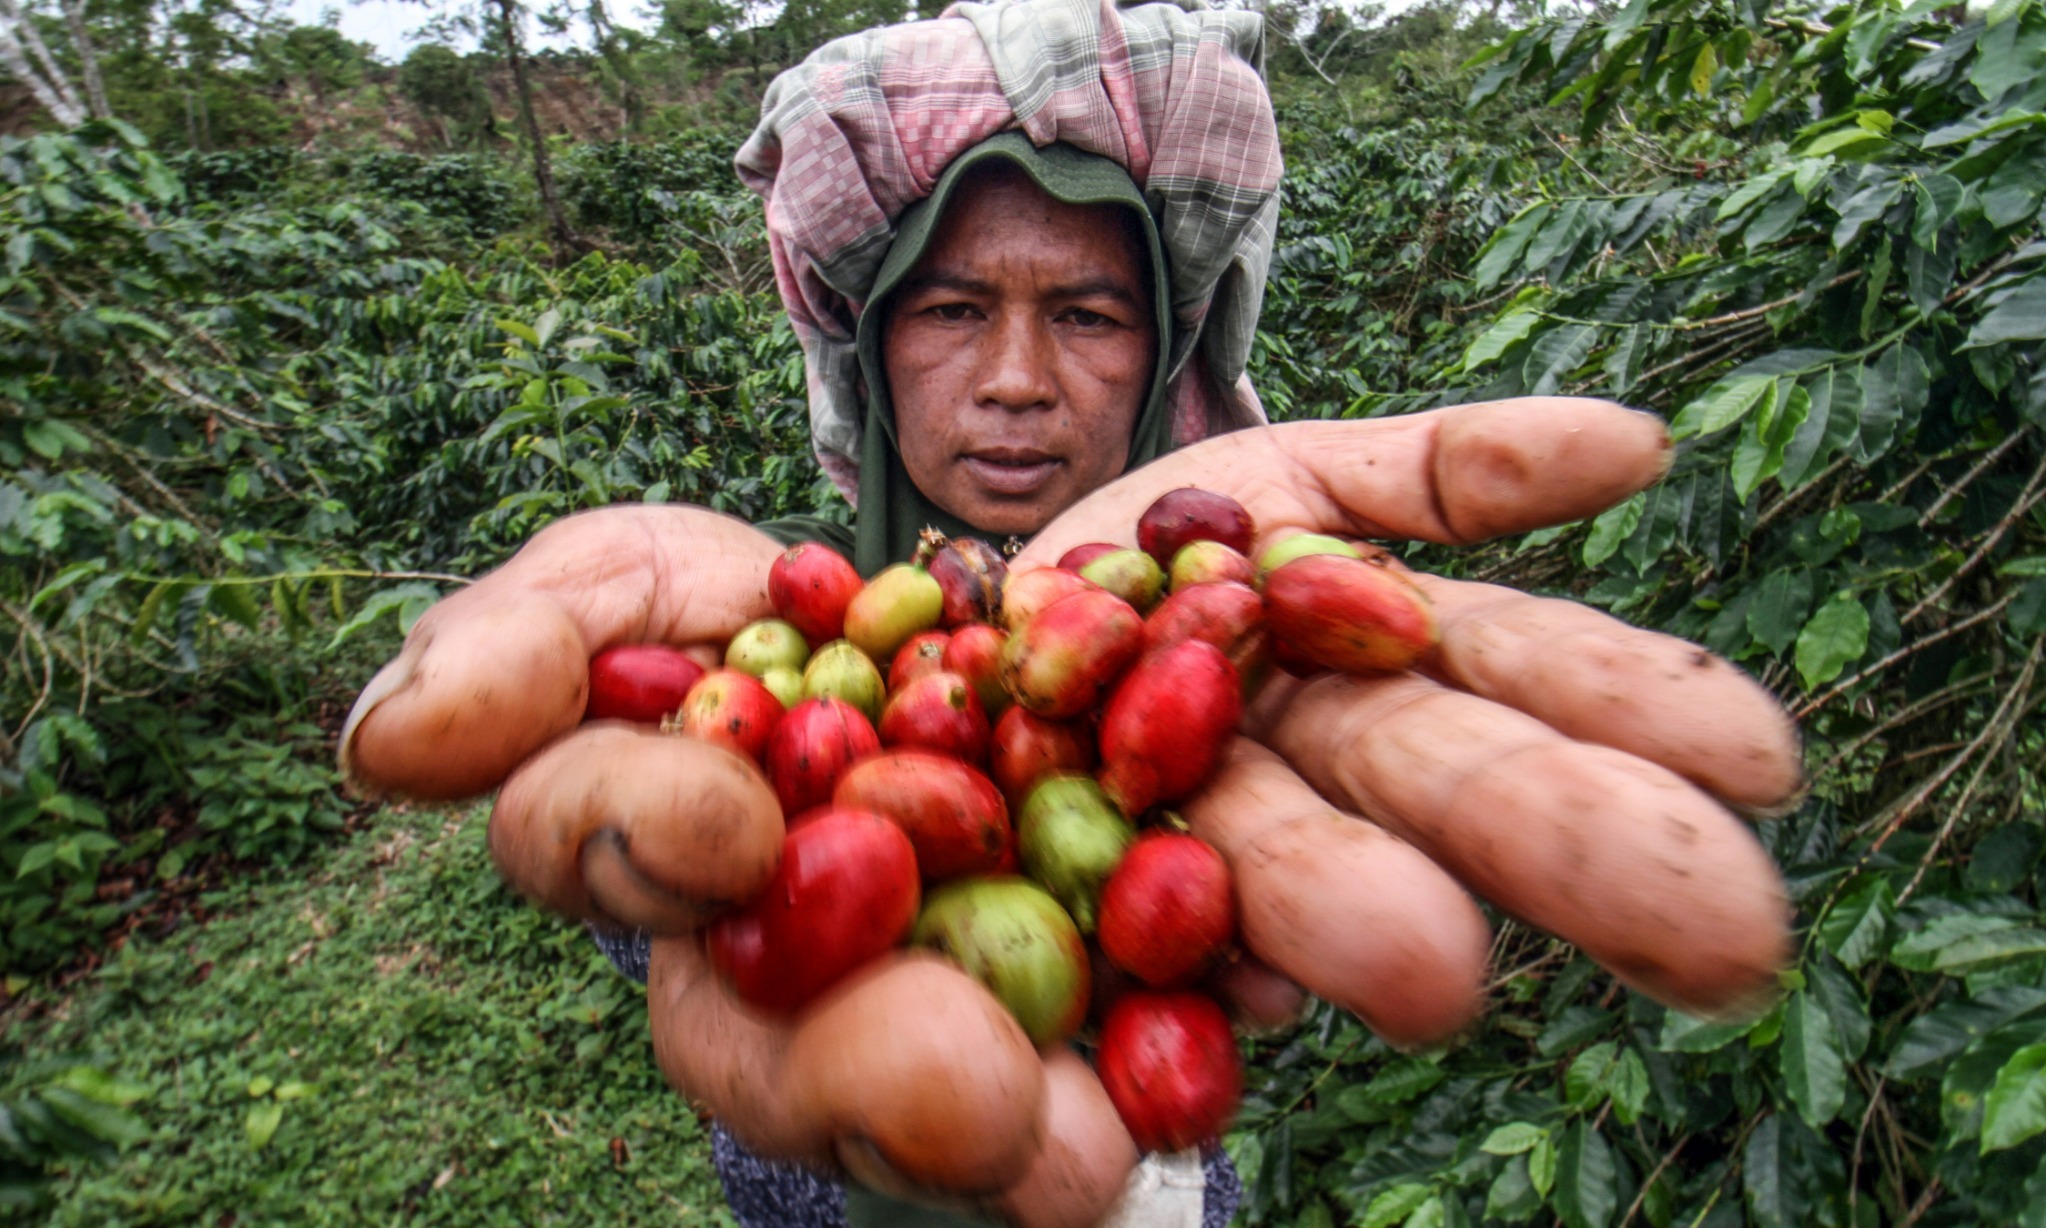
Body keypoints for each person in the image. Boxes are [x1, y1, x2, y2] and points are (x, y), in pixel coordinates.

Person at [340, 2, 1803, 1225]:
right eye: (951, 309)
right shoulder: (748, 615)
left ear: (1164, 346)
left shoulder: (1238, 649)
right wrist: (674, 836)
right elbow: (665, 860)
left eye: (1091, 315)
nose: (1018, 380)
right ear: (869, 347)